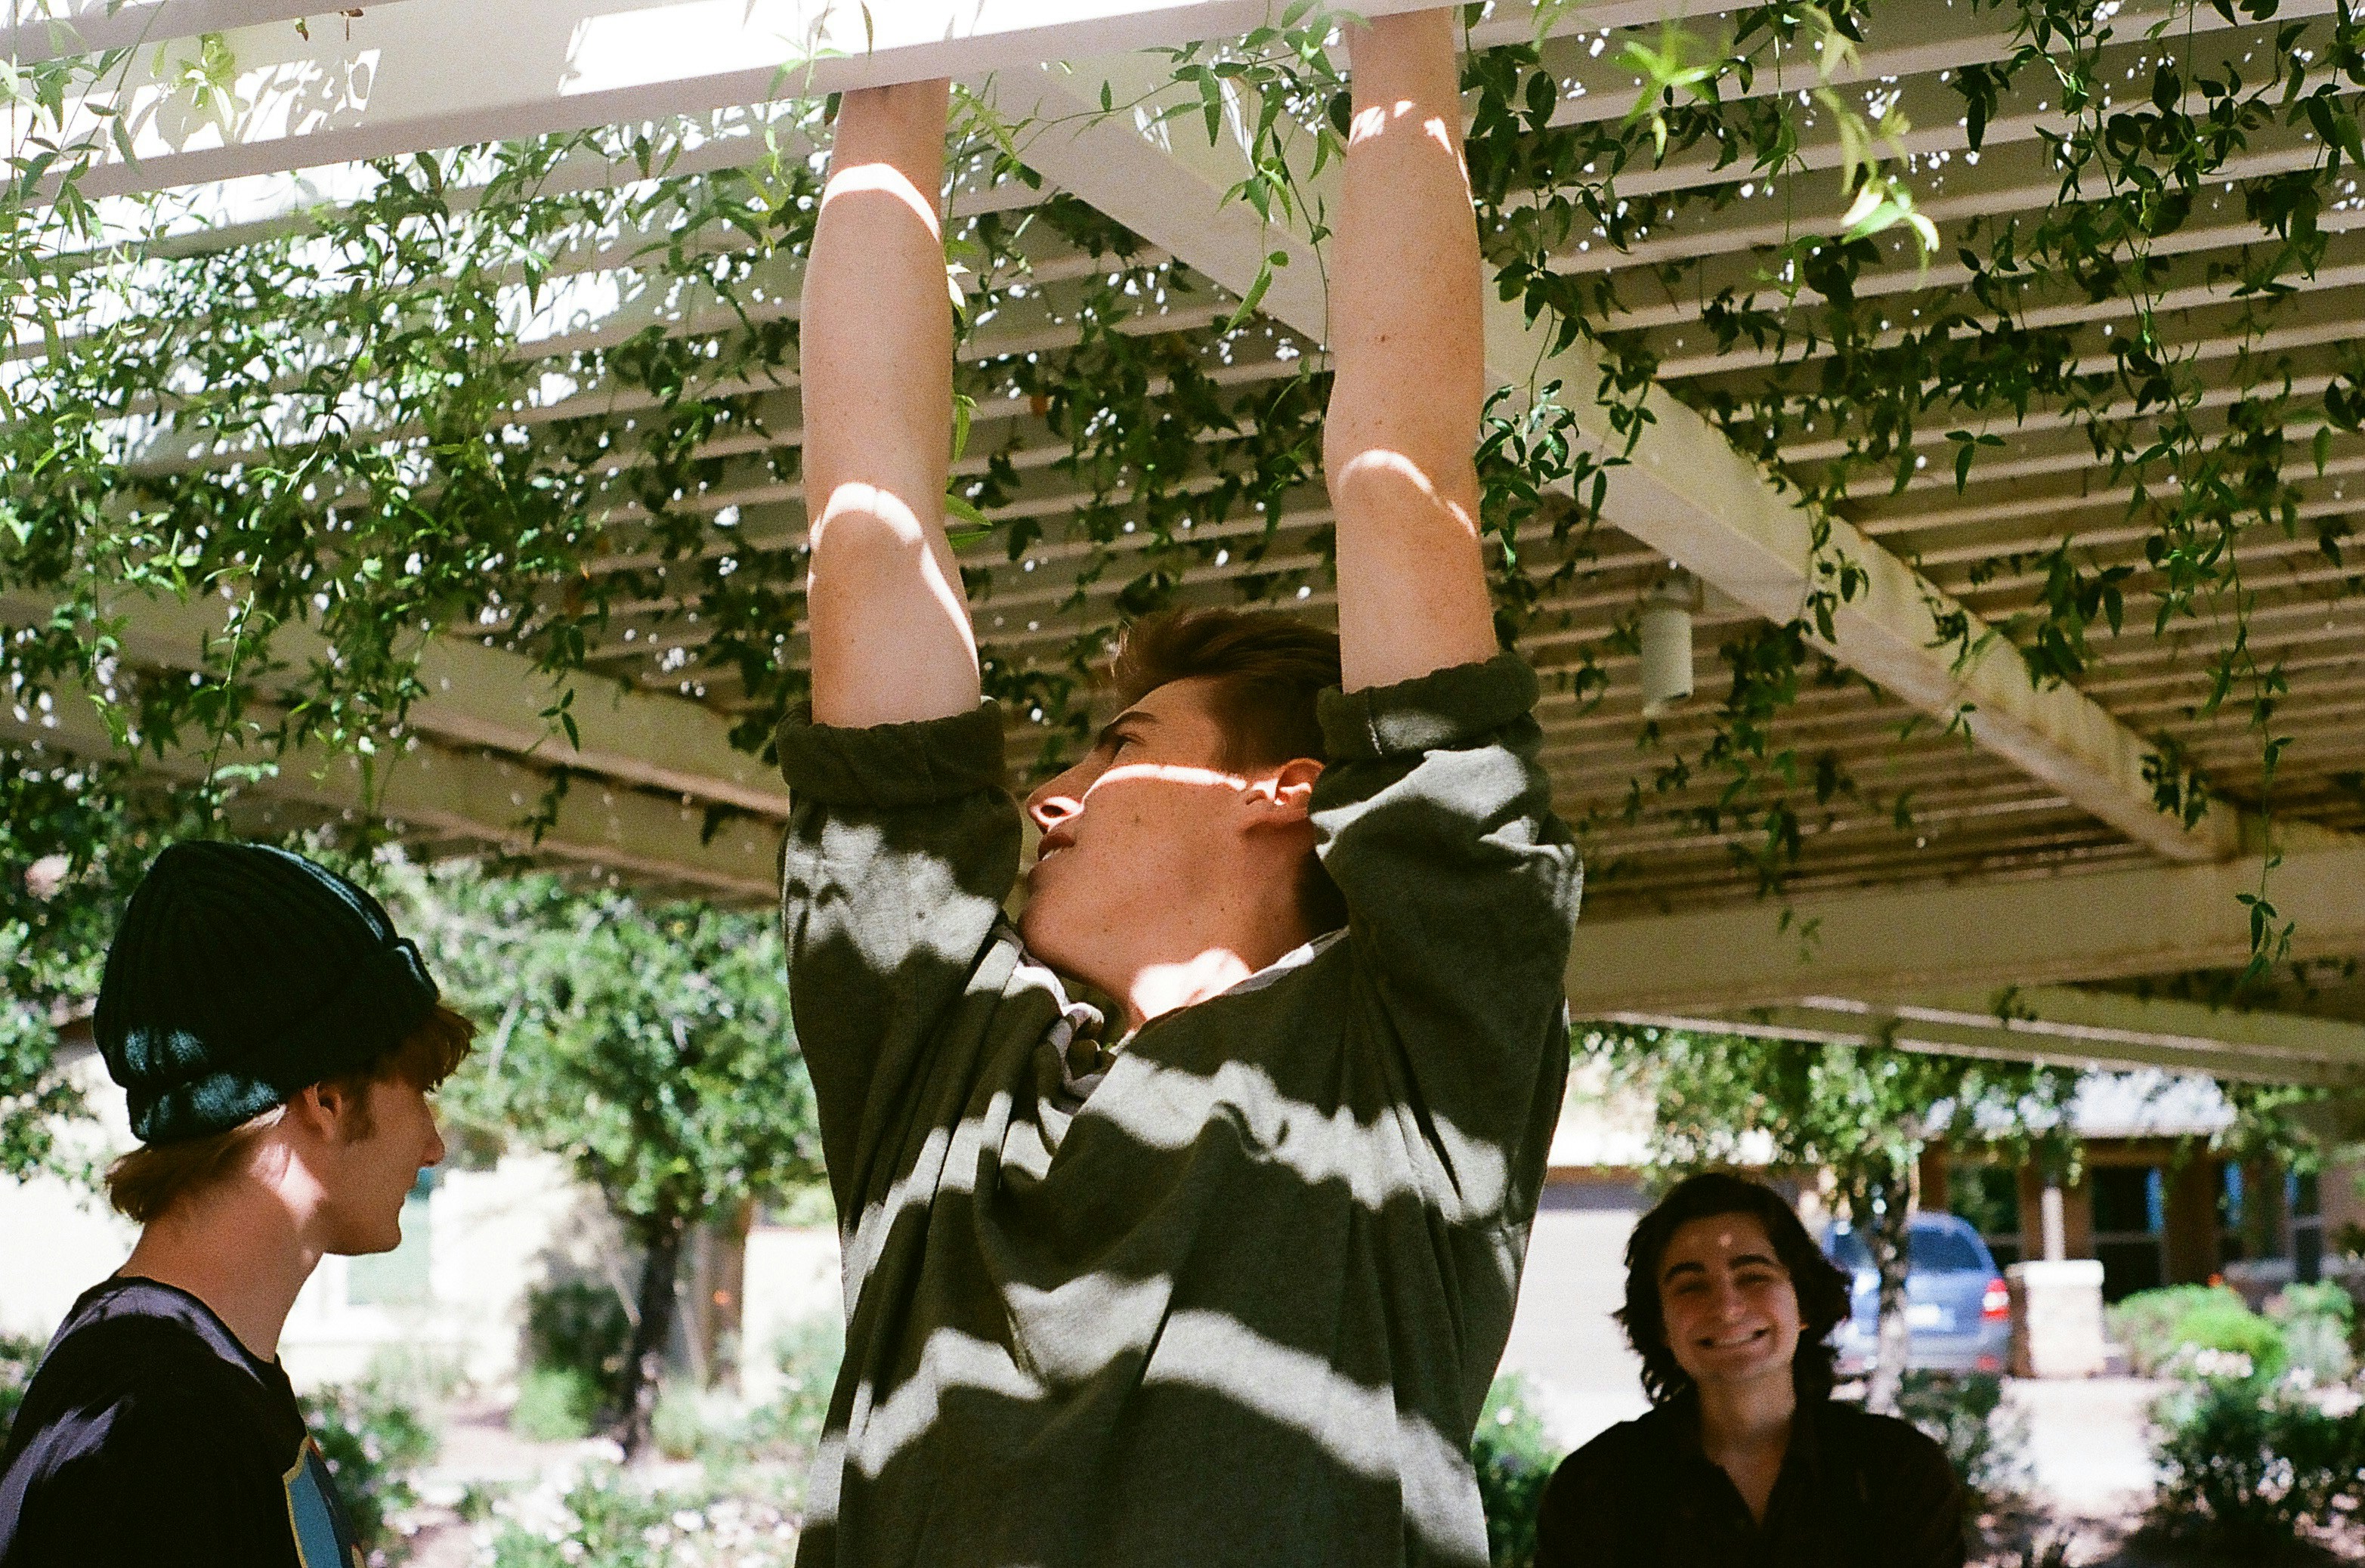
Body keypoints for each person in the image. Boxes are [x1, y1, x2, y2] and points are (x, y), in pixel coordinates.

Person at [779, 8, 1581, 1565]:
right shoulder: (938, 1056)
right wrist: (893, 48)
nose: (1049, 797)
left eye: (1118, 743)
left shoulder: (1409, 1066)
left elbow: (1403, 477)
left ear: (1286, 790)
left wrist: (1403, 43)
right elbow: (865, 524)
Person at [0, 841, 471, 1568]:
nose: (434, 1145)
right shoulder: (151, 1437)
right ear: (326, 1097)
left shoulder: (198, 1378)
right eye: (422, 1092)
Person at [1533, 1173, 1965, 1568]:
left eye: (1754, 1276)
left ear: (1804, 1305)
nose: (1727, 1308)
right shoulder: (1596, 1489)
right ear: (1660, 1326)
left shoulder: (1898, 1475)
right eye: (1690, 1285)